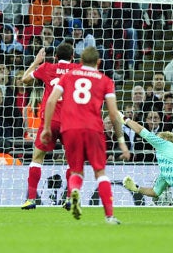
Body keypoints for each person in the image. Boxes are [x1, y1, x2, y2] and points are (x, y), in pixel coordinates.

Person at [41, 46, 130, 222]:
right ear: (99, 62)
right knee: (100, 172)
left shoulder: (68, 76)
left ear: (80, 61)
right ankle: (109, 216)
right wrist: (121, 141)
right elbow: (113, 114)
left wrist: (46, 128)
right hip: (93, 129)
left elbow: (51, 100)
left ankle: (74, 191)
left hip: (70, 129)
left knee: (76, 170)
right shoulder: (105, 81)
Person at [19, 43, 80, 210]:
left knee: (37, 158)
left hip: (50, 120)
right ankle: (69, 199)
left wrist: (36, 62)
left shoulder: (46, 67)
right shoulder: (78, 69)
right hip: (71, 121)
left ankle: (31, 199)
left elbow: (24, 80)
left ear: (55, 57)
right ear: (72, 57)